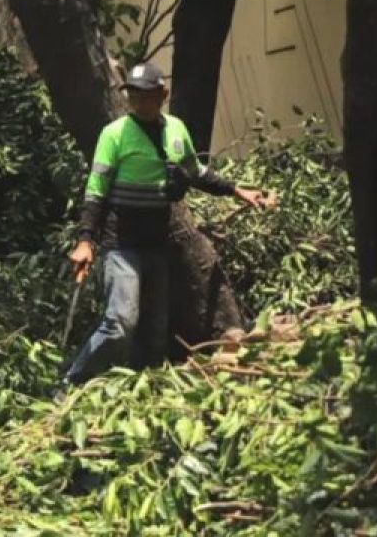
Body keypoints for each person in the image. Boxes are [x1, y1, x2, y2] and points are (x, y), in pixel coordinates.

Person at [62, 62, 274, 386]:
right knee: (120, 321)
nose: (139, 102)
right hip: (121, 245)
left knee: (155, 330)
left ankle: (142, 390)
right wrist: (85, 241)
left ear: (163, 94)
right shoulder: (114, 135)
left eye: (146, 95)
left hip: (157, 243)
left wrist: (237, 190)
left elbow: (196, 172)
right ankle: (73, 381)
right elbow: (96, 190)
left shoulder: (175, 129)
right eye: (133, 95)